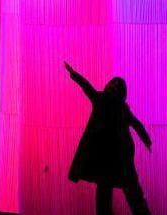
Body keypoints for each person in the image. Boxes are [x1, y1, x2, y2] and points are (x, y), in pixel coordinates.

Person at [65, 61, 152, 215]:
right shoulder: (101, 100)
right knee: (106, 194)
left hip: (121, 157)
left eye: (116, 86)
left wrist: (146, 139)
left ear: (121, 92)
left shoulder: (121, 108)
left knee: (131, 193)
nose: (112, 86)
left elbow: (136, 124)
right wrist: (74, 74)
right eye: (111, 84)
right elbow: (87, 87)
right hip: (106, 158)